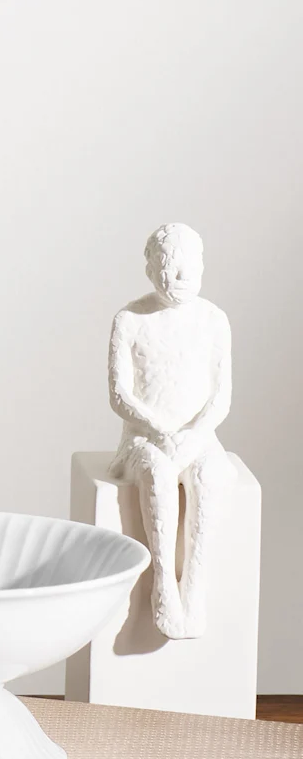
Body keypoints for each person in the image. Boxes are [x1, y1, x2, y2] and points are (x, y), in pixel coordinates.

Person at [107, 223, 234, 639]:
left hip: (199, 437)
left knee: (209, 477)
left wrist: (195, 436)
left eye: (190, 266)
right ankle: (163, 582)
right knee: (159, 475)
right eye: (168, 265)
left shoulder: (214, 320)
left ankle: (194, 585)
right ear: (150, 269)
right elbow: (119, 394)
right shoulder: (129, 320)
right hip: (145, 437)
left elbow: (221, 396)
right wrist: (160, 431)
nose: (180, 277)